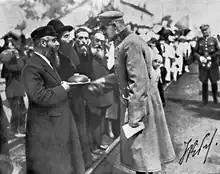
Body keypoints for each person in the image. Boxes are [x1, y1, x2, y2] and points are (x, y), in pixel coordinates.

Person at [87, 11, 176, 174]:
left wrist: (134, 115)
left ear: (114, 26)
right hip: (140, 101)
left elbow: (138, 81)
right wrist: (99, 84)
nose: (104, 33)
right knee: (142, 155)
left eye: (104, 28)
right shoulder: (128, 41)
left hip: (141, 104)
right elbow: (124, 76)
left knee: (140, 154)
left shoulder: (131, 44)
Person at [22, 25, 85, 174]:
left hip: (56, 125)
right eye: (54, 41)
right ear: (44, 43)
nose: (57, 44)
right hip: (47, 130)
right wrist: (64, 88)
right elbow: (40, 96)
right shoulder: (31, 67)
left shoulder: (45, 62)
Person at [47, 19, 93, 168]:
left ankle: (83, 162)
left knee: (79, 131)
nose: (71, 38)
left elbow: (83, 71)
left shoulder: (69, 54)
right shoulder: (51, 58)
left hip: (76, 98)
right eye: (66, 36)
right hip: (63, 101)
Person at [194, 24, 220, 105]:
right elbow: (195, 52)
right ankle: (204, 100)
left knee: (214, 81)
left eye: (206, 30)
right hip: (203, 65)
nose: (205, 32)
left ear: (209, 30)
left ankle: (215, 98)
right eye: (203, 31)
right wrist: (200, 57)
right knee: (204, 82)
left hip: (213, 64)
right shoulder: (199, 41)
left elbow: (219, 51)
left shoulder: (214, 40)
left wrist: (211, 57)